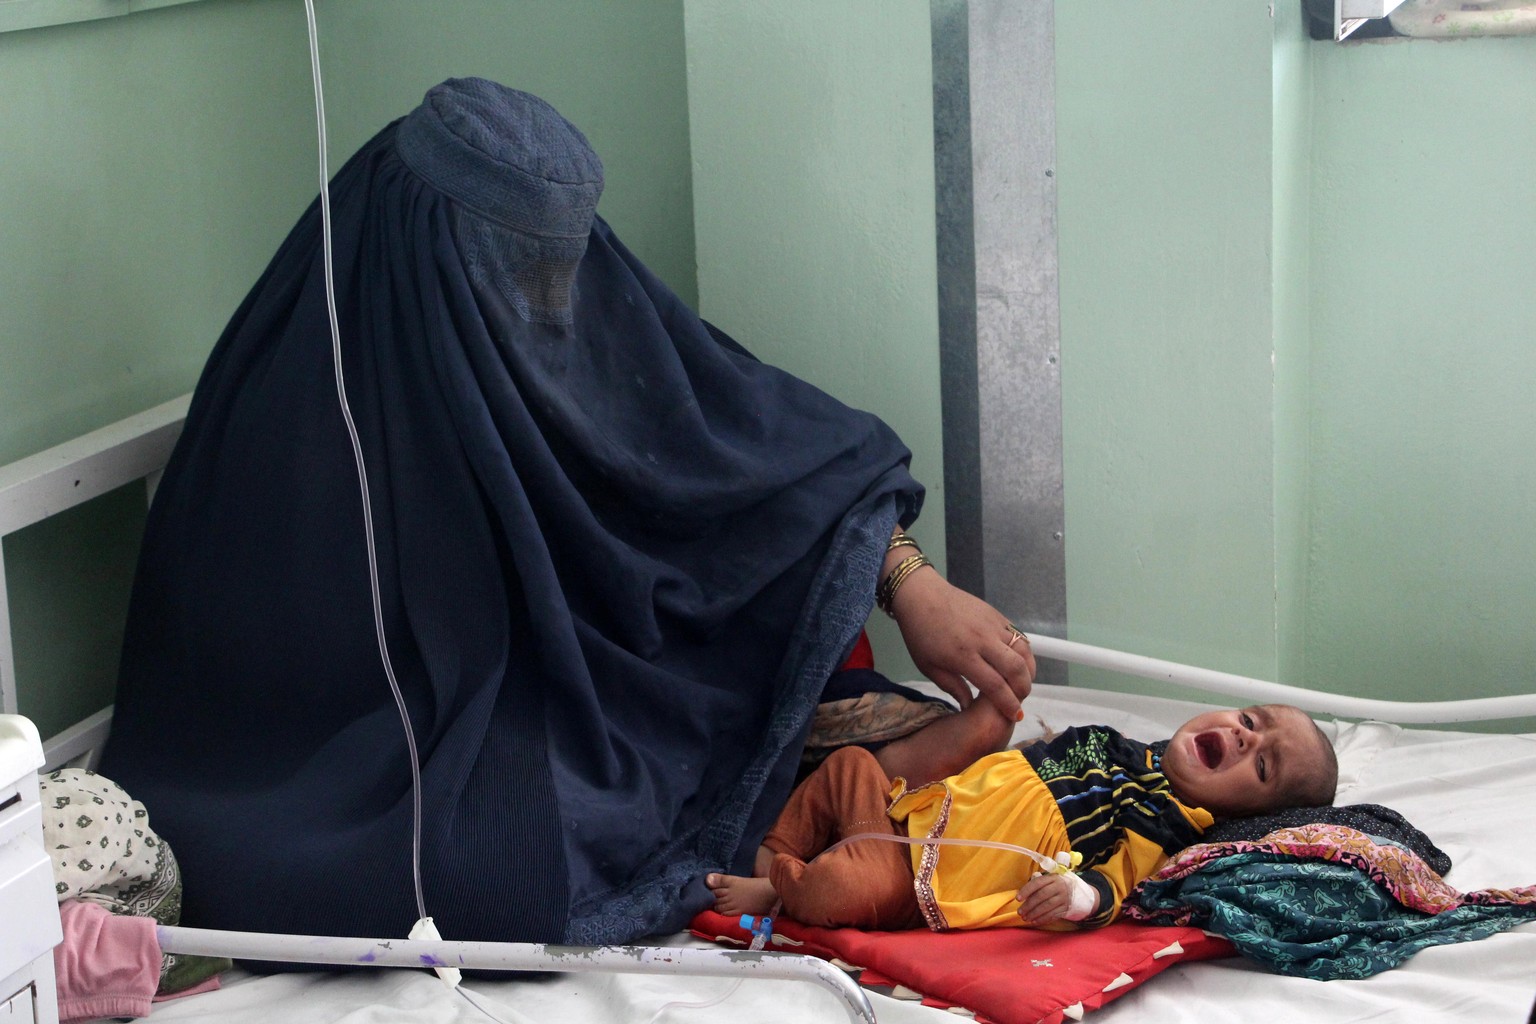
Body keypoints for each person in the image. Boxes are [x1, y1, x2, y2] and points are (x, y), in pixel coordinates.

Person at [99, 76, 1033, 948]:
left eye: (565, 265)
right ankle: (804, 801)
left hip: (602, 676)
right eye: (521, 269)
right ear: (432, 251)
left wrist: (914, 585)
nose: (553, 301)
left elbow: (756, 445)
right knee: (485, 872)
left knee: (713, 728)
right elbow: (271, 697)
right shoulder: (302, 401)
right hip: (400, 731)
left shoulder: (572, 315)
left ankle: (818, 787)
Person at [706, 693, 1337, 931]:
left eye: (1261, 767)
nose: (1247, 736)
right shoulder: (1118, 748)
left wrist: (1077, 897)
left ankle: (778, 888)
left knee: (844, 886)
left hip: (925, 876)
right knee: (847, 766)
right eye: (1250, 720)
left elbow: (1118, 883)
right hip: (906, 817)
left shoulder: (1165, 818)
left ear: (1244, 815)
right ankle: (774, 849)